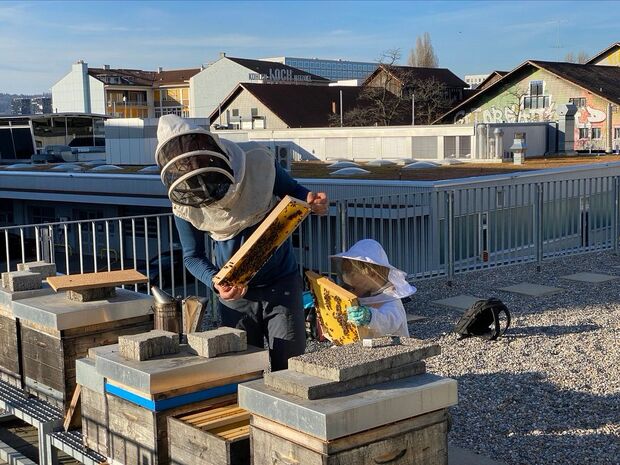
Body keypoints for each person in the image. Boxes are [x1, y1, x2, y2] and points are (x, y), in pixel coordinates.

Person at [155, 115, 327, 371]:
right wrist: (216, 282)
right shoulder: (184, 203)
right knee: (243, 370)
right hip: (235, 298)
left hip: (282, 284)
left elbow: (294, 190)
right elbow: (192, 256)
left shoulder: (256, 161)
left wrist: (312, 199)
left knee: (291, 369)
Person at [330, 239, 416, 338]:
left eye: (352, 274)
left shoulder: (391, 300)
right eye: (345, 273)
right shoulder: (362, 294)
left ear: (372, 274)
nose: (347, 279)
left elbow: (389, 321)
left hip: (390, 350)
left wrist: (371, 317)